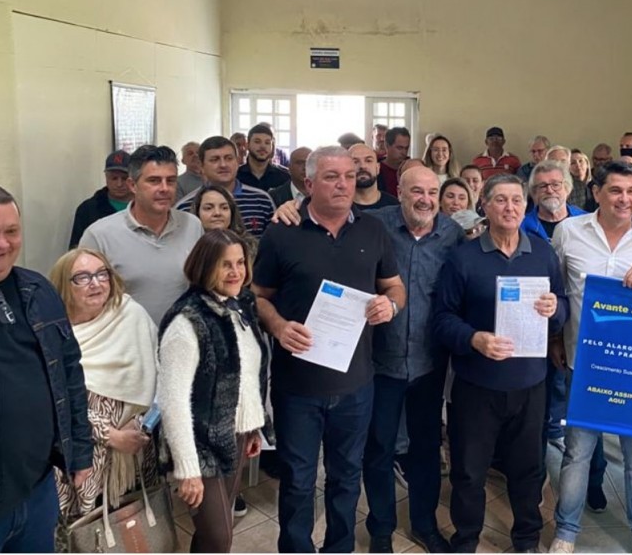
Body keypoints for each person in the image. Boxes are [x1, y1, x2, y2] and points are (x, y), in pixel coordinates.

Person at [252, 146, 406, 553]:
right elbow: (259, 296)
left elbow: (395, 287)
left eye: (349, 176)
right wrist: (278, 326)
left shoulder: (373, 231)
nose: (343, 185)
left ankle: (339, 547)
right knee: (298, 480)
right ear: (309, 183)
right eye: (331, 177)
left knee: (346, 477)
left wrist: (390, 305)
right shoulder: (282, 231)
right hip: (297, 387)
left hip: (356, 384)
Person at [433, 174, 567, 553]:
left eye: (516, 200)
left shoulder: (542, 254)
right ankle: (466, 539)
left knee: (528, 470)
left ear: (525, 206)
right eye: (501, 200)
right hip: (477, 384)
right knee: (469, 471)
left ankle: (526, 539)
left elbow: (563, 307)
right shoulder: (463, 258)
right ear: (485, 206)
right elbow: (442, 319)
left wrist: (556, 310)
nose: (510, 208)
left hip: (529, 384)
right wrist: (473, 338)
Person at [549, 161, 632, 554]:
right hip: (583, 363)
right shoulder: (568, 232)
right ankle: (566, 533)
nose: (625, 199)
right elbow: (557, 289)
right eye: (616, 190)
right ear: (596, 192)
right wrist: (556, 340)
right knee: (577, 452)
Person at [0, 182, 93, 552]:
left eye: (11, 231)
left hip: (37, 491)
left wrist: (78, 449)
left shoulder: (37, 289)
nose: (0, 244)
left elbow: (69, 372)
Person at [363, 167, 464, 554]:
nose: (425, 199)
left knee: (425, 448)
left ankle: (424, 524)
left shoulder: (453, 235)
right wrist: (290, 208)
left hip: (429, 362)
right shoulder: (373, 225)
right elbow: (327, 216)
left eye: (432, 192)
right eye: (417, 191)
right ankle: (381, 529)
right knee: (379, 449)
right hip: (380, 361)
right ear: (400, 193)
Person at [158, 229, 270, 553]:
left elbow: (246, 375)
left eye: (240, 263)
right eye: (225, 264)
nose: (236, 272)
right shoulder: (188, 320)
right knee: (220, 539)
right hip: (199, 446)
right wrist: (187, 469)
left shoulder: (239, 305)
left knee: (210, 536)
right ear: (205, 266)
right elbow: (173, 402)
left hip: (234, 436)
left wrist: (252, 427)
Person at [48, 248, 158, 519]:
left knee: (133, 522)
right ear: (64, 284)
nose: (96, 283)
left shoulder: (130, 313)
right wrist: (112, 436)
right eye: (82, 277)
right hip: (83, 454)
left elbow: (159, 371)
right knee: (84, 529)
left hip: (135, 445)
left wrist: (142, 424)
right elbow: (52, 402)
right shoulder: (52, 332)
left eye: (101, 274)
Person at [79, 145, 203, 325]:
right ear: (132, 185)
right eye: (154, 181)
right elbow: (84, 304)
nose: (164, 188)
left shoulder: (192, 226)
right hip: (127, 339)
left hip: (183, 337)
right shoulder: (99, 236)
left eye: (171, 181)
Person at [519, 161, 585, 467]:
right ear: (533, 193)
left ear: (568, 188)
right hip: (533, 324)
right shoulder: (521, 225)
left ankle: (578, 455)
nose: (550, 190)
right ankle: (538, 457)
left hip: (579, 322)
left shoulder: (586, 223)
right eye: (542, 186)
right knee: (539, 395)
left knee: (577, 396)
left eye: (556, 184)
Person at [176, 136, 276, 238]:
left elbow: (273, 242)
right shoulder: (185, 208)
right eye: (214, 160)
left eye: (229, 158)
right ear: (201, 166)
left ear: (237, 162)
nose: (223, 165)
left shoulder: (262, 201)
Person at [69, 150, 133, 248]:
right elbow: (76, 250)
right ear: (106, 178)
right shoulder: (87, 210)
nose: (119, 184)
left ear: (132, 179)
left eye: (124, 178)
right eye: (114, 178)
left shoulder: (144, 207)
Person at [237, 124, 291, 192]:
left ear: (272, 147)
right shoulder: (235, 176)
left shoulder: (285, 177)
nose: (263, 146)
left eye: (267, 143)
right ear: (247, 145)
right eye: (257, 142)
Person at [351, 144, 400, 210]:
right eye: (355, 162)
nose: (362, 166)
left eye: (368, 161)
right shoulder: (339, 206)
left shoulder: (394, 206)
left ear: (378, 167)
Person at [379, 127, 412, 197]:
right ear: (387, 146)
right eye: (399, 148)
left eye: (406, 148)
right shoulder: (377, 169)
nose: (404, 152)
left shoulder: (412, 167)